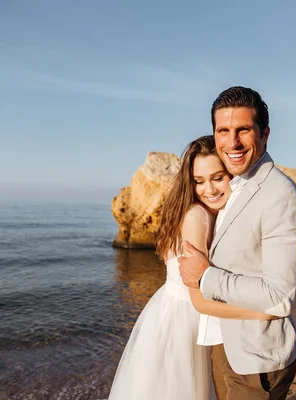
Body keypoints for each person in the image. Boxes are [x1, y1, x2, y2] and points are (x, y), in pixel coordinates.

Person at [108, 135, 276, 400]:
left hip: (169, 311)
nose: (209, 189)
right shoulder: (198, 217)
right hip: (184, 320)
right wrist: (260, 313)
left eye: (218, 178)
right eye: (199, 181)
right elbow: (198, 299)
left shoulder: (202, 213)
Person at [179, 86, 296, 400]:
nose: (232, 142)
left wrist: (205, 276)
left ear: (264, 134)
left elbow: (280, 296)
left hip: (257, 359)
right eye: (223, 131)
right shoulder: (232, 186)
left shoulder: (281, 196)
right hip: (225, 343)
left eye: (243, 130)